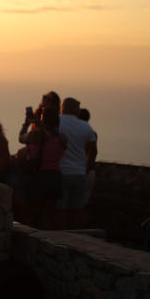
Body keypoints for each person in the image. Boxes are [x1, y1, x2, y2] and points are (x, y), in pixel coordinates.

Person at [23, 106, 67, 229]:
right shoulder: (62, 138)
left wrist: (26, 124)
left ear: (43, 119)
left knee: (31, 214)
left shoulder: (36, 135)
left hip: (39, 177)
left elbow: (22, 138)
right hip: (55, 177)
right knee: (48, 215)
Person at [58, 97, 97, 229]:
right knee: (76, 209)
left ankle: (60, 237)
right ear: (74, 109)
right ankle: (73, 236)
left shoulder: (57, 122)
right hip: (79, 173)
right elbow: (93, 151)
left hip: (62, 172)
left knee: (60, 209)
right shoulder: (86, 126)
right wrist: (86, 168)